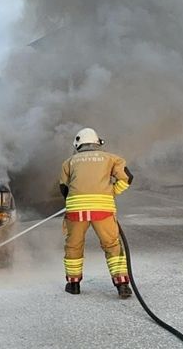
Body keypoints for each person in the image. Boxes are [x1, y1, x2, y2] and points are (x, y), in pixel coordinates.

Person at [59, 128, 134, 298]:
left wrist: (75, 202)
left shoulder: (69, 162)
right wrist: (113, 191)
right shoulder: (111, 158)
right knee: (112, 245)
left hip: (76, 211)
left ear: (78, 144)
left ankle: (74, 284)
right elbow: (127, 178)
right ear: (97, 143)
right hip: (103, 210)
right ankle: (122, 284)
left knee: (74, 246)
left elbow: (63, 188)